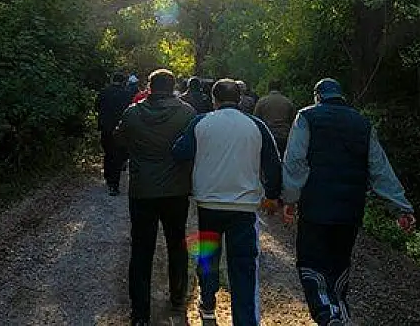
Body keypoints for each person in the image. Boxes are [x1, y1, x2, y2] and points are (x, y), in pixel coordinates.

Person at [282, 78, 417, 326]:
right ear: (341, 96)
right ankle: (340, 310)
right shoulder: (362, 123)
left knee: (311, 261)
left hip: (315, 208)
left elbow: (295, 161)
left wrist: (290, 198)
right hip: (350, 210)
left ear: (317, 96)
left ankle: (326, 312)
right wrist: (400, 208)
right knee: (339, 261)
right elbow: (380, 170)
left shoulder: (307, 117)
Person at [173, 79, 282, 326]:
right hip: (244, 208)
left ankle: (208, 305)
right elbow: (273, 164)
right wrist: (273, 196)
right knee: (243, 265)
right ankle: (244, 320)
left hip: (208, 204)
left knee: (209, 256)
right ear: (240, 99)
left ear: (214, 99)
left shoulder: (201, 123)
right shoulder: (256, 125)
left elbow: (180, 152)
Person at [114, 69, 197, 326]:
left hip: (143, 191)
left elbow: (119, 140)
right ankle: (177, 298)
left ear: (149, 87)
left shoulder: (133, 113)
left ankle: (140, 313)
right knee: (177, 243)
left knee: (141, 249)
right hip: (176, 190)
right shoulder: (187, 113)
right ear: (172, 87)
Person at [96, 72, 134, 196]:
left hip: (105, 128)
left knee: (108, 153)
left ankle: (107, 176)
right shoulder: (127, 94)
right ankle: (114, 184)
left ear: (112, 80)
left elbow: (96, 107)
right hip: (120, 129)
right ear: (123, 81)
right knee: (118, 155)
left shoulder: (103, 92)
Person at [253, 80, 296, 157]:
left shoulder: (262, 102)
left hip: (267, 137)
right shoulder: (287, 102)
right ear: (280, 88)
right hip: (284, 136)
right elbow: (293, 121)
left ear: (268, 88)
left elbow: (256, 121)